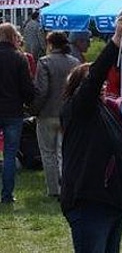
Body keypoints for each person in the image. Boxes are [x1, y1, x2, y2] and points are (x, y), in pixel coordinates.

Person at [60, 13, 122, 252]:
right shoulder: (78, 110)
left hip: (114, 202)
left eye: (103, 85)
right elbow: (94, 78)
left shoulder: (111, 111)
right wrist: (115, 43)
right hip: (89, 200)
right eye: (95, 83)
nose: (102, 86)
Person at [31, 32, 80, 198]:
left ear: (50, 44)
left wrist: (34, 110)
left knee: (48, 153)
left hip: (47, 113)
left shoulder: (44, 62)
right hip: (68, 114)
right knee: (64, 152)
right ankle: (67, 186)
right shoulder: (75, 62)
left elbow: (41, 90)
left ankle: (53, 189)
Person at [0, 23, 35, 203]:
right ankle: (6, 195)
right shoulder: (19, 58)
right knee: (9, 154)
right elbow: (27, 87)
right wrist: (32, 103)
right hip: (13, 111)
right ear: (13, 36)